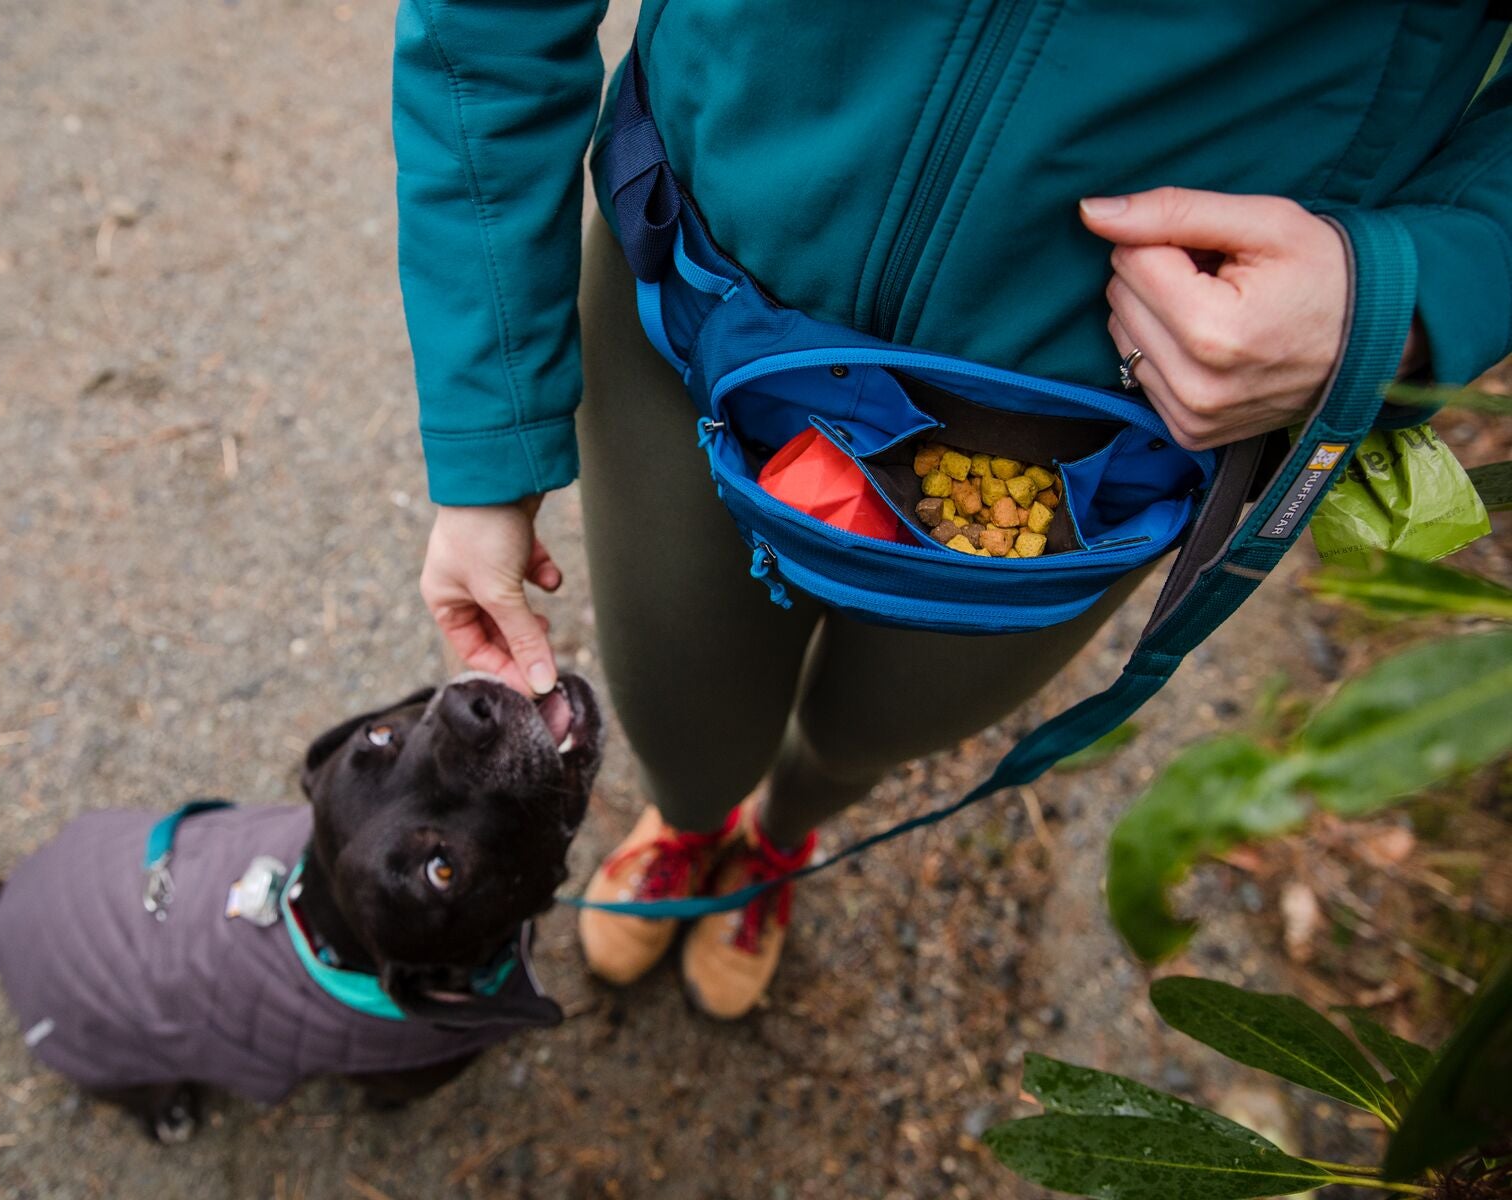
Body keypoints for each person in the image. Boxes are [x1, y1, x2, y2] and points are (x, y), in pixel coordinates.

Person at [394, 3, 1512, 1019]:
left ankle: (783, 840)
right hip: (702, 310)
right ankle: (692, 827)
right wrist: (491, 436)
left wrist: (1406, 291)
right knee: (681, 709)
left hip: (1102, 444)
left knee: (875, 731)